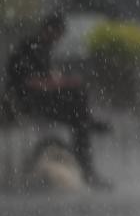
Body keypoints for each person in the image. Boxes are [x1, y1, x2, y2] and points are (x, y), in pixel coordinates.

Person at [4, 12, 112, 189]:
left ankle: (86, 134)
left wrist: (60, 82)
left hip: (38, 100)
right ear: (49, 30)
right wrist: (61, 83)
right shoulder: (30, 47)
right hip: (26, 103)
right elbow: (29, 82)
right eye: (58, 34)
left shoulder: (42, 48)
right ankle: (87, 168)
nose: (59, 39)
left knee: (79, 107)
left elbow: (44, 78)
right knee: (78, 105)